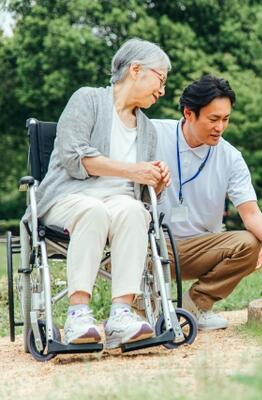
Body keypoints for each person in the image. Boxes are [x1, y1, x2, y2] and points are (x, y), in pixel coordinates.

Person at [34, 38, 172, 348]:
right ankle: (78, 315)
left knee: (136, 211)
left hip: (121, 204)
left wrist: (156, 183)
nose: (162, 90)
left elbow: (143, 194)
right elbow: (73, 157)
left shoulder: (147, 128)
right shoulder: (88, 100)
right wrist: (134, 170)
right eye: (160, 79)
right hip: (68, 198)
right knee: (93, 210)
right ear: (136, 70)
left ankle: (121, 315)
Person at [153, 75, 262, 331]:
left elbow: (251, 213)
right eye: (213, 119)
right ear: (189, 113)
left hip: (200, 249)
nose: (220, 127)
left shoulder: (230, 157)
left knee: (252, 242)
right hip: (152, 244)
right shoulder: (154, 134)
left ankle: (196, 305)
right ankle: (145, 308)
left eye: (225, 119)